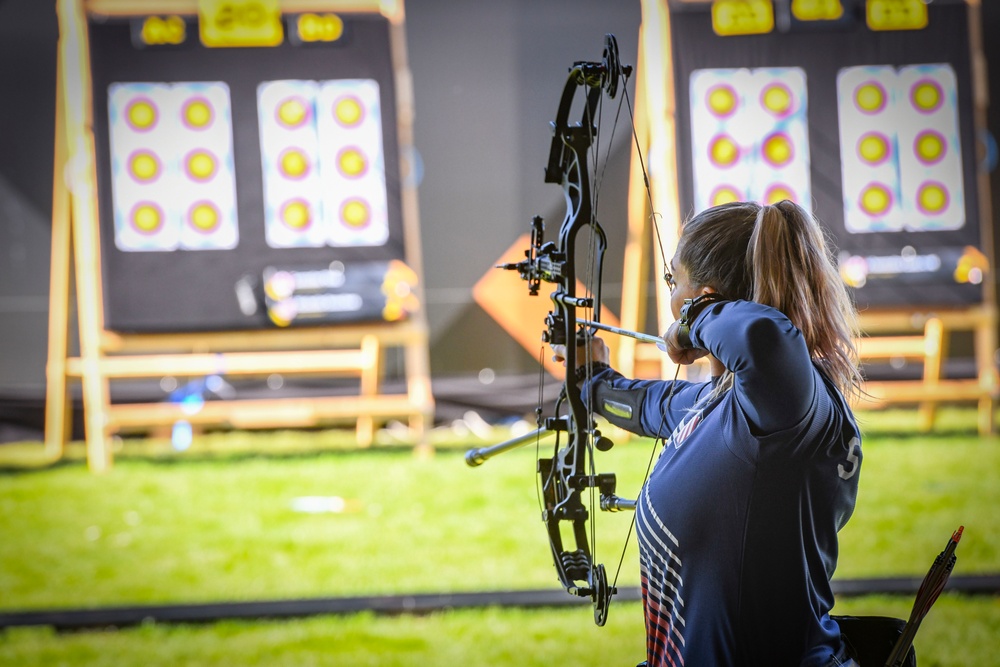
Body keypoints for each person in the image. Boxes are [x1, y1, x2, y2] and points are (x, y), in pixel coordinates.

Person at [552, 200, 864, 666]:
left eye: (674, 282)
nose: (671, 297)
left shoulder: (787, 401)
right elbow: (652, 406)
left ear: (709, 296)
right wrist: (593, 382)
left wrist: (692, 320)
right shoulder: (734, 405)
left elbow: (761, 335)